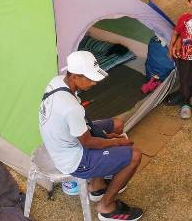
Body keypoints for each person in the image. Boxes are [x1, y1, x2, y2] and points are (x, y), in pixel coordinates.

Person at [39, 51, 144, 221]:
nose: (94, 82)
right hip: (72, 159)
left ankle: (97, 186)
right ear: (74, 76)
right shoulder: (70, 108)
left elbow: (81, 127)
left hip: (64, 141)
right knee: (134, 155)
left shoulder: (57, 81)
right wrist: (114, 142)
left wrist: (106, 138)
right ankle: (106, 206)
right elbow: (88, 142)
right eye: (89, 78)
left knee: (117, 124)